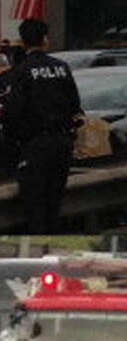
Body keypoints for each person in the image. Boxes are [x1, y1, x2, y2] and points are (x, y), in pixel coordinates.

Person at [4, 19, 83, 233]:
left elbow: (11, 112)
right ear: (46, 40)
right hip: (62, 144)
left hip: (35, 146)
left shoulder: (20, 72)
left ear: (22, 42)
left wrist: (13, 148)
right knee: (54, 204)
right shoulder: (62, 68)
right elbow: (75, 106)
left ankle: (40, 256)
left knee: (35, 206)